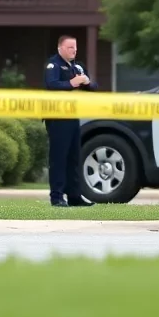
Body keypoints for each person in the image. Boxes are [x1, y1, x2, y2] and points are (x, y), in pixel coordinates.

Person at [44, 34, 97, 208]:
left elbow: (94, 87)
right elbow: (52, 84)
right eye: (70, 47)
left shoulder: (78, 67)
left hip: (74, 117)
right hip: (58, 118)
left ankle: (75, 196)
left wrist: (87, 82)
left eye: (75, 47)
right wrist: (72, 83)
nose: (73, 50)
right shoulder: (54, 65)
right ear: (60, 48)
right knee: (58, 158)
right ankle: (57, 197)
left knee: (74, 158)